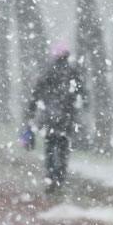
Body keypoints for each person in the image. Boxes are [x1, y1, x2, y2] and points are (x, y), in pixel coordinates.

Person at [24, 42, 88, 195]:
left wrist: (31, 110)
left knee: (50, 147)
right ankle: (59, 177)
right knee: (63, 147)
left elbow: (37, 92)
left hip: (50, 117)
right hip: (67, 117)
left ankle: (51, 176)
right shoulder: (73, 72)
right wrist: (83, 105)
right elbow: (82, 93)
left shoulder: (48, 71)